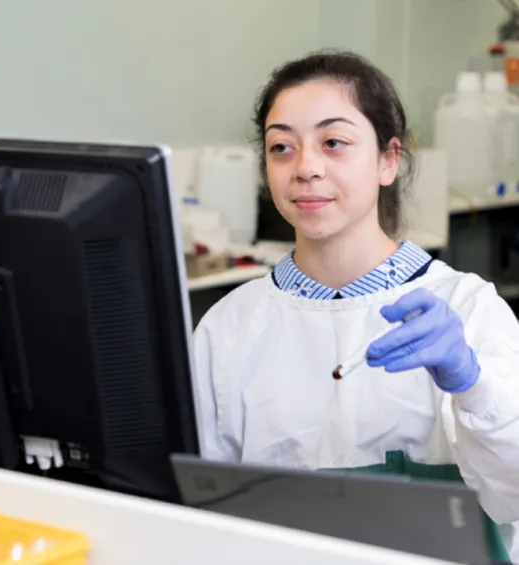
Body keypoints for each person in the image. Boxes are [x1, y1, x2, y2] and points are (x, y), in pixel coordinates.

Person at [192, 50, 519, 562]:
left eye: (334, 143)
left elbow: (514, 495)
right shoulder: (228, 328)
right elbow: (201, 513)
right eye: (282, 147)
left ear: (388, 160)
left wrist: (474, 387)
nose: (306, 168)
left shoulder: (468, 308)